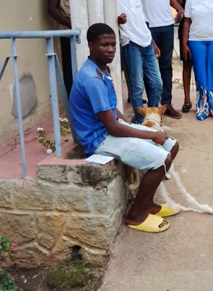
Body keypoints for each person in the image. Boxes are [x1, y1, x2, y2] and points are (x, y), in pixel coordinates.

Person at [69, 23, 180, 233]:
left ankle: (148, 204)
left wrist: (135, 128)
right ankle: (135, 215)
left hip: (111, 128)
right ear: (91, 46)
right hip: (98, 139)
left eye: (113, 44)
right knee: (161, 159)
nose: (110, 49)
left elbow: (112, 110)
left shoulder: (103, 69)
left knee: (170, 144)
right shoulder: (92, 79)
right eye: (104, 45)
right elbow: (112, 128)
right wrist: (145, 134)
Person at [134, 0, 184, 119]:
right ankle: (152, 106)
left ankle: (166, 104)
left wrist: (180, 8)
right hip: (146, 25)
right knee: (148, 67)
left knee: (166, 66)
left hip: (166, 25)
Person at [115, 0, 163, 124]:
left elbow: (143, 20)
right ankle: (141, 122)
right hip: (130, 42)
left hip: (146, 41)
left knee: (157, 83)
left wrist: (153, 42)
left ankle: (152, 117)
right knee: (137, 87)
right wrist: (117, 20)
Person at [176, 0, 201, 113]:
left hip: (200, 29)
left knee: (200, 65)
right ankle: (186, 99)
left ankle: (201, 97)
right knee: (187, 65)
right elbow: (179, 6)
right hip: (185, 29)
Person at [47, 0, 73, 94]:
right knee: (70, 70)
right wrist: (70, 23)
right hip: (67, 33)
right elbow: (52, 9)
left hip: (87, 31)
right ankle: (72, 104)